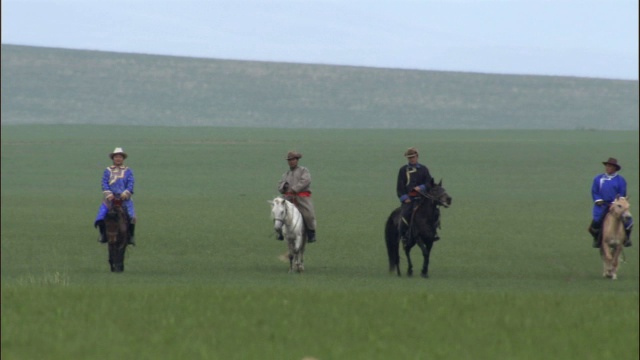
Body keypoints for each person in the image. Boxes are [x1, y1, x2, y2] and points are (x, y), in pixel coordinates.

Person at [94, 147, 137, 246]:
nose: (118, 159)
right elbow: (104, 183)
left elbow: (131, 183)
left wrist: (126, 193)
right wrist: (109, 194)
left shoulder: (128, 171)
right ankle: (103, 235)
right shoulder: (107, 170)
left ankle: (131, 237)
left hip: (124, 198)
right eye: (116, 157)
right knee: (100, 216)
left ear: (123, 159)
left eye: (120, 157)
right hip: (110, 199)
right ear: (113, 158)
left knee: (131, 216)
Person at [396, 147, 438, 244]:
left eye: (413, 157)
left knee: (435, 212)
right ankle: (404, 235)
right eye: (409, 158)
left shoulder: (424, 169)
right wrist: (404, 198)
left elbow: (429, 183)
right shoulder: (403, 170)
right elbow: (400, 186)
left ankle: (434, 233)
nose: (412, 159)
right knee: (405, 214)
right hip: (409, 199)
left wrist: (422, 187)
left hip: (423, 198)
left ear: (417, 156)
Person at [588, 157, 633, 248]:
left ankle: (626, 238)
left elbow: (622, 193)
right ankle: (597, 239)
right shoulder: (598, 179)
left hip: (616, 205)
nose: (607, 168)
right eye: (607, 166)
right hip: (602, 205)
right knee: (596, 222)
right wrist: (598, 200)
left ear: (615, 168)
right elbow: (595, 191)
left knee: (629, 221)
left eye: (610, 166)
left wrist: (615, 203)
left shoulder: (621, 180)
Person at [277, 151, 317, 243]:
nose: (291, 161)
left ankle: (311, 233)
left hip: (301, 197)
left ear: (297, 160)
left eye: (293, 159)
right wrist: (283, 187)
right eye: (289, 160)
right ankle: (279, 231)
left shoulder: (303, 170)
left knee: (309, 214)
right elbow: (280, 185)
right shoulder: (286, 174)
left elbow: (306, 181)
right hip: (288, 197)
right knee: (278, 210)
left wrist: (294, 189)